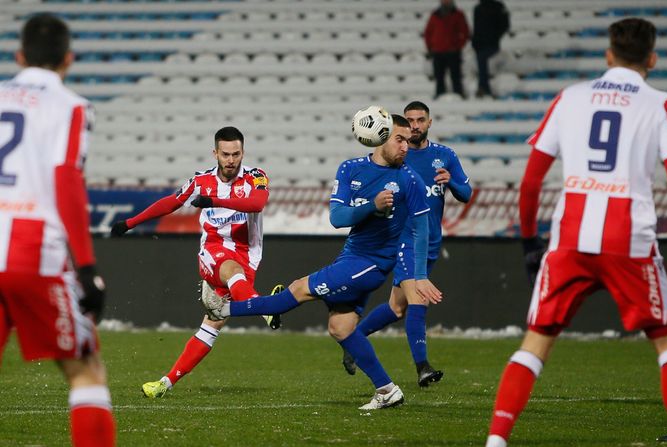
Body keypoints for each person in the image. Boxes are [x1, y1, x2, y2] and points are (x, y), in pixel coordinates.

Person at [485, 18, 667, 447]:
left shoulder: (570, 98)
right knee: (664, 341)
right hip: (630, 240)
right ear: (653, 59)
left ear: (608, 55)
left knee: (536, 343)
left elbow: (531, 182)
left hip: (569, 240)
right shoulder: (659, 105)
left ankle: (496, 442)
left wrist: (530, 241)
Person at [211, 114, 443, 409]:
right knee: (340, 327)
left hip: (372, 263)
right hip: (351, 254)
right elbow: (337, 218)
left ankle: (224, 307)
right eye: (399, 139)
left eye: (408, 141)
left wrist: (420, 273)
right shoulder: (350, 169)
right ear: (381, 138)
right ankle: (387, 390)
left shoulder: (409, 178)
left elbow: (422, 228)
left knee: (297, 290)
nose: (406, 146)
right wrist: (372, 206)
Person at [0, 14, 115, 446]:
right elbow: (67, 180)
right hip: (32, 252)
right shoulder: (72, 106)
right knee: (86, 370)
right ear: (69, 59)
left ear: (18, 56)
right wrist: (87, 267)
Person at [110, 126, 281, 398]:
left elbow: (258, 203)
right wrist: (129, 223)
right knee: (232, 272)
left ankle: (165, 383)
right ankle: (267, 309)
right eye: (225, 154)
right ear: (215, 153)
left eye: (236, 154)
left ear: (243, 153)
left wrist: (212, 200)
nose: (231, 160)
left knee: (213, 323)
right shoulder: (200, 181)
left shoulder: (256, 177)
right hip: (213, 252)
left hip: (248, 255)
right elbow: (170, 203)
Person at [341, 101, 472, 386]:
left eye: (420, 120)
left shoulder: (444, 156)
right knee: (419, 297)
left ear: (429, 122)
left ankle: (354, 339)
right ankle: (422, 368)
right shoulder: (398, 157)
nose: (414, 125)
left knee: (398, 308)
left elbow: (466, 193)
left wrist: (452, 182)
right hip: (405, 239)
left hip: (430, 240)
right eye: (409, 120)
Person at [424, 0, 470, 100]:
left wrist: (458, 45)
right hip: (438, 51)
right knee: (439, 76)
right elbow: (428, 32)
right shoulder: (435, 15)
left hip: (453, 51)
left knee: (455, 76)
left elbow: (465, 31)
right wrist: (431, 47)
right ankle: (439, 94)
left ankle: (458, 94)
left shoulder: (458, 14)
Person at [472, 0, 510, 98]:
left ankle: (484, 87)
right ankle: (484, 88)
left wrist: (496, 35)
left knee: (481, 59)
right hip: (481, 44)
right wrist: (475, 42)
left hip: (493, 44)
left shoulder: (498, 7)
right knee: (481, 58)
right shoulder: (478, 8)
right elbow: (476, 28)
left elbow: (505, 24)